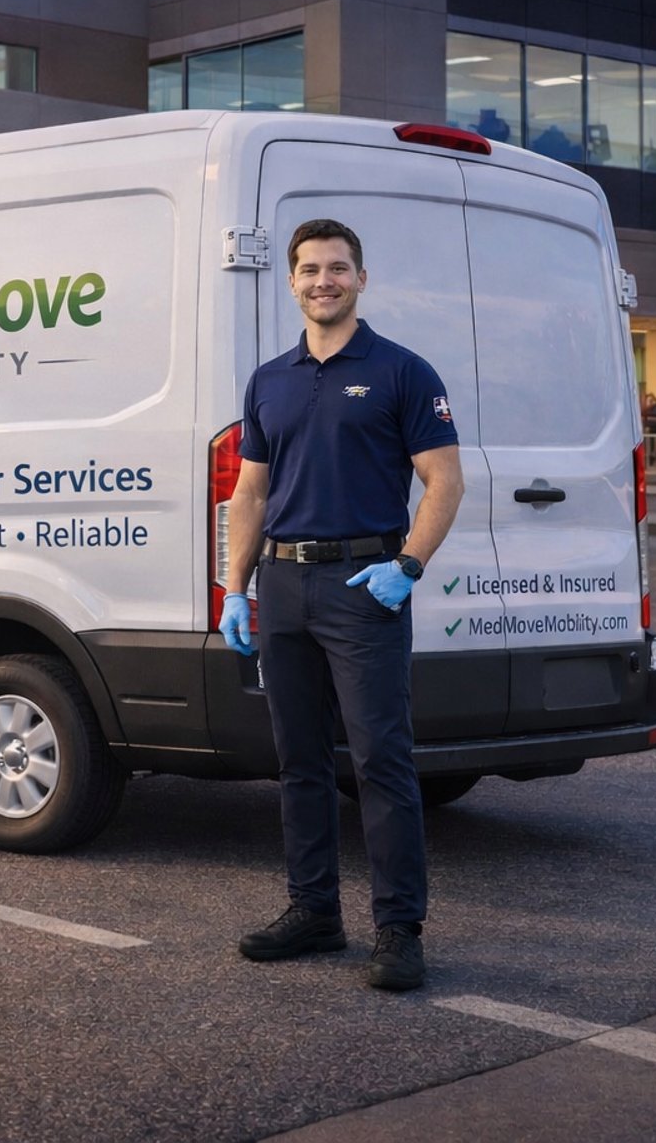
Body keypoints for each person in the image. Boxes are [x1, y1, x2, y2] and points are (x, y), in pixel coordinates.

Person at [219, 218, 465, 992]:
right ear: (290, 282)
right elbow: (250, 492)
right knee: (298, 763)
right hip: (284, 586)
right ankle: (315, 913)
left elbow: (445, 481)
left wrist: (408, 566)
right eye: (309, 270)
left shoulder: (402, 371)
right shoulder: (270, 380)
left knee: (381, 764)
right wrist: (235, 587)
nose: (322, 281)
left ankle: (398, 931)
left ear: (362, 279)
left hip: (365, 587)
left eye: (337, 268)